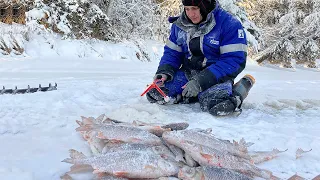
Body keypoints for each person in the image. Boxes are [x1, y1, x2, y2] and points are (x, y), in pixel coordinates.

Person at [146, 0, 255, 116]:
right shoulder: (179, 25)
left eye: (194, 8)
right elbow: (172, 53)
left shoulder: (229, 24)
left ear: (204, 6)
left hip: (215, 76)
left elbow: (233, 60)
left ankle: (241, 88)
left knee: (218, 106)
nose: (190, 14)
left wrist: (201, 82)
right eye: (187, 9)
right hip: (188, 74)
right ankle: (193, 95)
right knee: (156, 94)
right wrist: (164, 72)